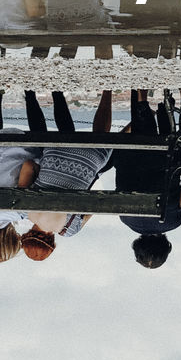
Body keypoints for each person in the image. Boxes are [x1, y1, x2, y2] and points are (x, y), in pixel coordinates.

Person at [20, 90, 114, 261]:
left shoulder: (70, 230)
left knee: (99, 148)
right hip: (55, 148)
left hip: (90, 157)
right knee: (47, 144)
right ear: (27, 234)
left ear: (52, 243)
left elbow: (93, 203)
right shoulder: (26, 210)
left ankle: (108, 93)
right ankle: (39, 94)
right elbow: (28, 165)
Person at [114, 89, 181, 268]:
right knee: (144, 153)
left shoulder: (173, 222)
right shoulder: (126, 219)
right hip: (135, 152)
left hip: (168, 157)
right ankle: (141, 95)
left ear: (165, 247)